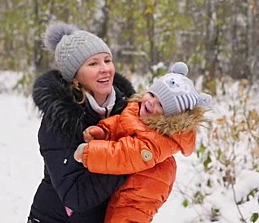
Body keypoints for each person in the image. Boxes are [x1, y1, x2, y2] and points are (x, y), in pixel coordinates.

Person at [73, 62, 212, 223]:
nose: (151, 102)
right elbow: (121, 125)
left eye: (161, 104)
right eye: (152, 95)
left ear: (169, 118)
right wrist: (105, 132)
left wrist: (90, 153)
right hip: (130, 185)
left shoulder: (158, 140)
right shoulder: (138, 113)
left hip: (139, 197)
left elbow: (127, 154)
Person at [27, 22, 136, 223]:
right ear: (75, 78)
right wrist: (130, 161)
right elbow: (76, 196)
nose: (105, 69)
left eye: (107, 60)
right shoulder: (60, 121)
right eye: (93, 64)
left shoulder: (129, 109)